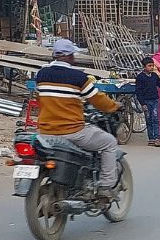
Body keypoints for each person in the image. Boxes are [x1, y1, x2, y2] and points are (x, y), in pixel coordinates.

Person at [34, 39, 122, 197]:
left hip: (45, 131)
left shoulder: (41, 74)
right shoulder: (78, 77)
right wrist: (114, 106)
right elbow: (98, 99)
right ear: (69, 56)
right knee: (109, 143)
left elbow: (40, 97)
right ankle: (106, 186)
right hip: (72, 131)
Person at [135, 56, 160, 147]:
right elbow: (138, 91)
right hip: (146, 102)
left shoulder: (154, 76)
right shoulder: (140, 77)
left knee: (155, 119)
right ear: (144, 67)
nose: (151, 67)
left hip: (155, 100)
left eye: (152, 66)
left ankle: (157, 138)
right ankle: (151, 139)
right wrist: (142, 103)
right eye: (149, 66)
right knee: (149, 120)